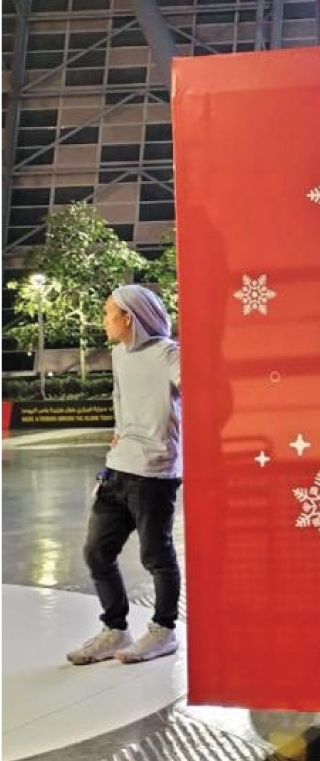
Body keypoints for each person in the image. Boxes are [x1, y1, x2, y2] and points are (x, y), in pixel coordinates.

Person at [66, 284, 182, 665]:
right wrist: (119, 431)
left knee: (156, 556)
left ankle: (163, 631)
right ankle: (115, 629)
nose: (104, 320)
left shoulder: (167, 354)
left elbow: (204, 392)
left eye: (108, 313)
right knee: (96, 552)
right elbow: (120, 399)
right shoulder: (118, 355)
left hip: (154, 474)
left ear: (129, 318)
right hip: (117, 469)